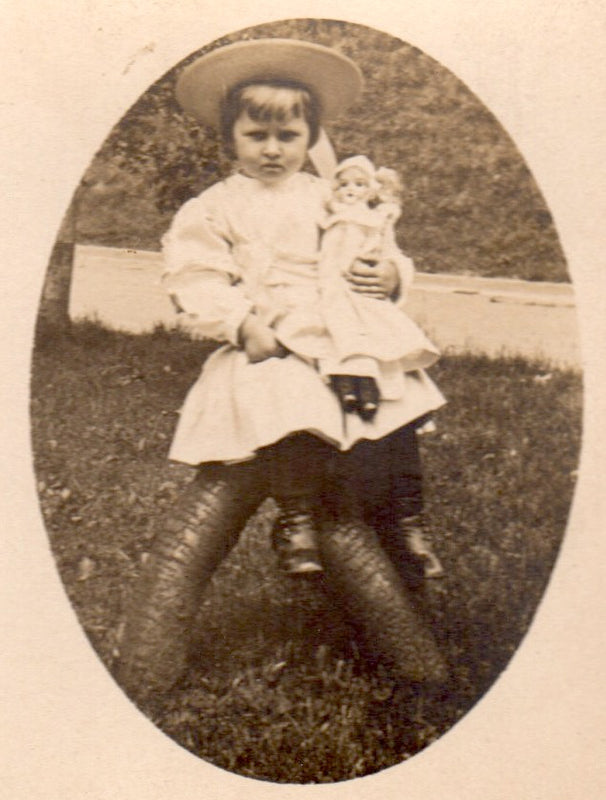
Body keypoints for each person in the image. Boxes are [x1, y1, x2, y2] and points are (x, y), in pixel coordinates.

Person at [117, 38, 447, 699]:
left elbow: (375, 245)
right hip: (269, 341)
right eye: (257, 134)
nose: (273, 148)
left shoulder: (330, 198)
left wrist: (387, 274)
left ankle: (400, 519)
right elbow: (195, 275)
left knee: (387, 416)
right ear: (230, 138)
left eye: (288, 134)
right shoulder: (213, 207)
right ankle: (298, 517)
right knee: (278, 409)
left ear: (310, 137)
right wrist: (241, 322)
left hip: (340, 337)